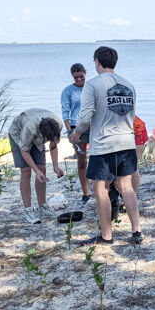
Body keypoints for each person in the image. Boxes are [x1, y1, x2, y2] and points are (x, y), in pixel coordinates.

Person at [70, 46, 143, 246]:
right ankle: (136, 231)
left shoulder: (92, 85)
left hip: (104, 144)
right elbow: (131, 114)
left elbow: (85, 116)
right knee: (126, 187)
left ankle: (106, 236)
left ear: (97, 62)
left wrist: (77, 133)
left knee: (101, 189)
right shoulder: (129, 85)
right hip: (127, 141)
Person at [8, 108, 65, 224]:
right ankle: (28, 210)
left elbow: (53, 145)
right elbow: (24, 151)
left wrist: (55, 166)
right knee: (26, 171)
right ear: (42, 135)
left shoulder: (57, 125)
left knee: (42, 169)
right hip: (18, 133)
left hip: (37, 133)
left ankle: (42, 207)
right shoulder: (30, 128)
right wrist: (36, 170)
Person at [60, 63, 91, 206]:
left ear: (85, 73)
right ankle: (86, 193)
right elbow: (65, 111)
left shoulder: (90, 87)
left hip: (92, 125)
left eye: (81, 76)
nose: (79, 79)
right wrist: (69, 131)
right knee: (82, 161)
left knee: (98, 159)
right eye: (76, 77)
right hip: (75, 126)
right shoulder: (68, 91)